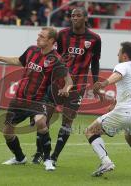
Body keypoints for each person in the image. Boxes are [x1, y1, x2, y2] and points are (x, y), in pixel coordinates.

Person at [0, 27, 73, 171]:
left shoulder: (56, 59)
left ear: (51, 41)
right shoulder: (31, 50)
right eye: (38, 35)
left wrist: (65, 89)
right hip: (19, 98)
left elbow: (69, 81)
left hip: (38, 99)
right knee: (7, 131)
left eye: (42, 36)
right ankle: (20, 158)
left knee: (40, 121)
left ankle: (47, 159)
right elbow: (18, 60)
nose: (38, 38)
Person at [32, 7, 101, 165]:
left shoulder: (95, 39)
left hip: (77, 87)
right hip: (57, 82)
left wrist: (96, 80)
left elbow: (95, 61)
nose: (74, 18)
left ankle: (54, 156)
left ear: (85, 18)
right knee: (44, 118)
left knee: (67, 121)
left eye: (78, 15)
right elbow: (55, 56)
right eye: (72, 16)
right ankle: (39, 152)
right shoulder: (62, 34)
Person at [85, 41, 131, 177]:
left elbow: (118, 76)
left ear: (124, 55)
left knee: (90, 131)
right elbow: (130, 90)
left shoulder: (122, 66)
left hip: (125, 112)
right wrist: (115, 103)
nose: (117, 54)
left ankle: (106, 162)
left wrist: (104, 83)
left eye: (119, 52)